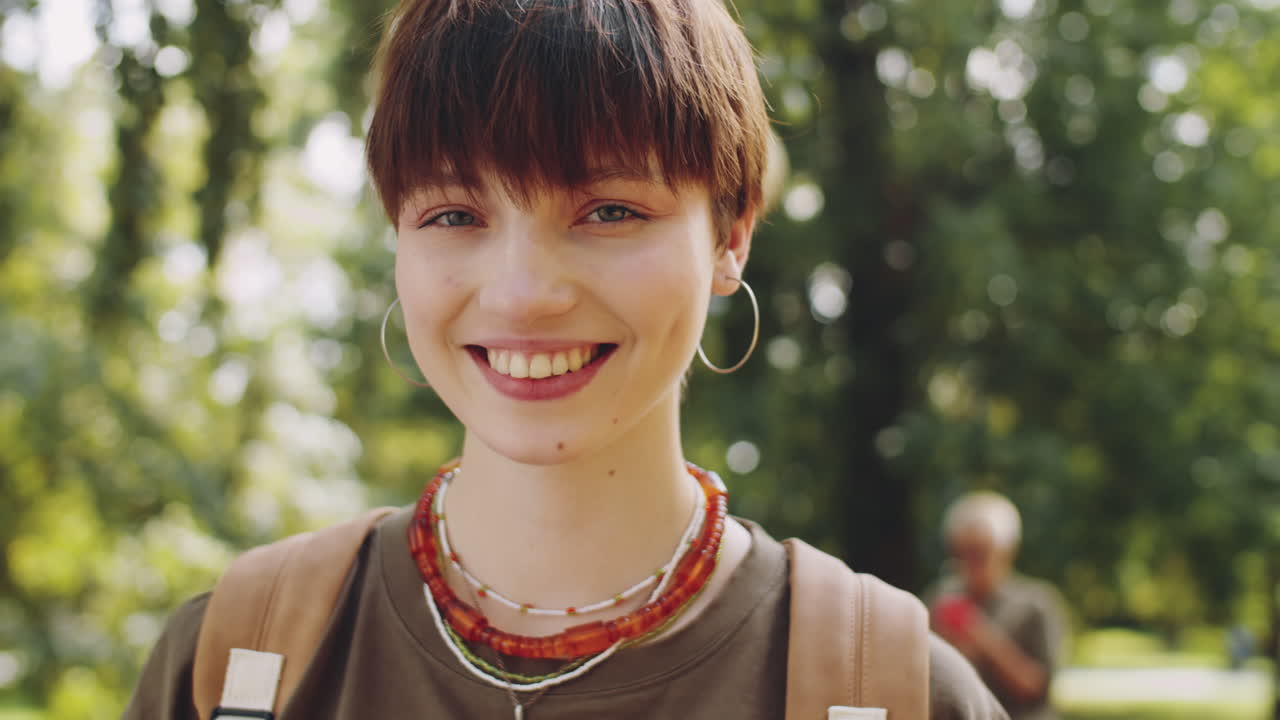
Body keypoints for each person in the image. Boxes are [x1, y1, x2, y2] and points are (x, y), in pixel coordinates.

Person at [122, 0, 1008, 717]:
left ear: (731, 234)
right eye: (455, 214)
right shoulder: (238, 661)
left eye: (610, 210)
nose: (522, 293)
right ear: (397, 232)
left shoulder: (892, 692)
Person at [927, 492, 1068, 720]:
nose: (969, 563)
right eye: (962, 552)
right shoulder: (939, 600)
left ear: (1007, 551)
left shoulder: (1037, 602)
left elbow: (1037, 688)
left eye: (980, 552)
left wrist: (982, 638)